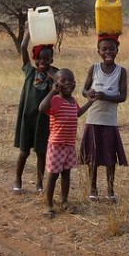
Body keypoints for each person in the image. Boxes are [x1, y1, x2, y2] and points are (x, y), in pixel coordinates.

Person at [39, 68, 96, 218]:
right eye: (63, 81)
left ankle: (64, 201)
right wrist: (52, 91)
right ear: (56, 84)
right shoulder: (55, 100)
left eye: (70, 80)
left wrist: (90, 102)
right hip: (56, 145)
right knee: (53, 176)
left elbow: (77, 113)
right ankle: (48, 204)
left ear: (75, 84)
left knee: (66, 174)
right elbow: (41, 108)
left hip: (69, 145)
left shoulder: (72, 101)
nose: (67, 83)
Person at [79, 35, 128, 203]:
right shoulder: (94, 69)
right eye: (104, 49)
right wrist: (89, 94)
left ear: (117, 50)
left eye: (111, 49)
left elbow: (123, 96)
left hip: (109, 121)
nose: (108, 52)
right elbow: (84, 90)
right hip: (93, 119)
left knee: (109, 159)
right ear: (98, 51)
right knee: (92, 157)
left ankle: (110, 189)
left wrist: (106, 96)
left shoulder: (121, 71)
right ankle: (93, 188)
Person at [13, 23, 58, 194]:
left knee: (41, 152)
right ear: (34, 58)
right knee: (24, 152)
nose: (42, 62)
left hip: (45, 119)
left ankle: (39, 183)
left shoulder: (55, 73)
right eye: (39, 58)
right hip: (27, 117)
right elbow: (23, 47)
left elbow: (60, 85)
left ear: (51, 60)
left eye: (46, 59)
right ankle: (18, 179)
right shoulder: (30, 71)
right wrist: (29, 31)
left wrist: (52, 75)